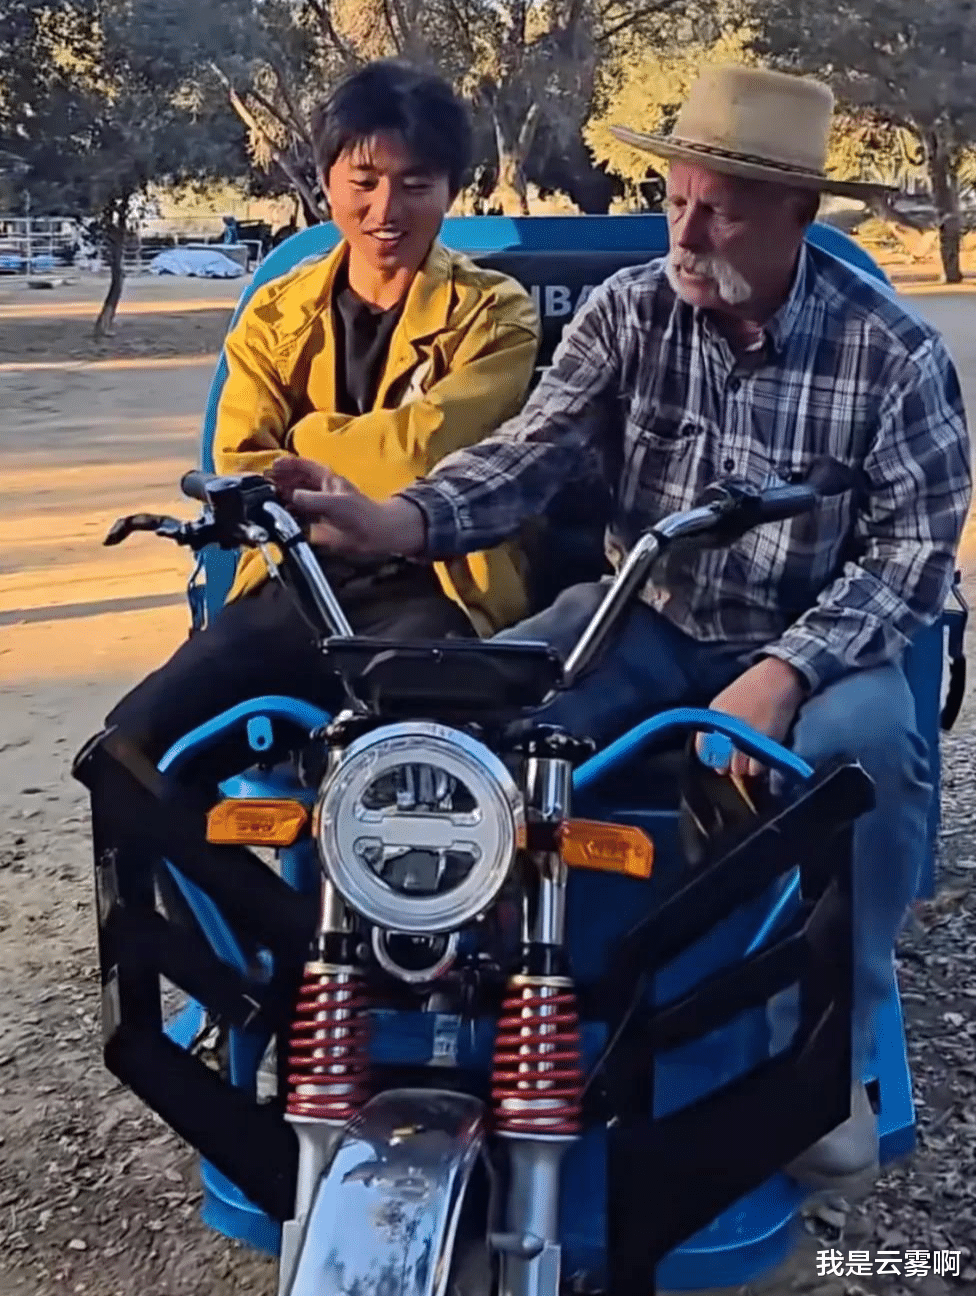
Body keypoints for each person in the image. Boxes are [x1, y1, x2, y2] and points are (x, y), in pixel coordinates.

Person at [272, 65, 973, 1195]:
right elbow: (527, 457)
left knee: (866, 759)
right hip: (640, 612)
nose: (684, 234)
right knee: (470, 722)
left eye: (720, 212)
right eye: (676, 200)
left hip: (814, 639)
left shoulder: (894, 356)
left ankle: (830, 1043)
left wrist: (786, 672)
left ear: (800, 215)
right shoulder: (629, 309)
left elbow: (910, 561)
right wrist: (395, 519)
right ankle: (467, 992)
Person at [104, 60, 540, 763]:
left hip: (437, 582)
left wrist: (305, 435)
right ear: (326, 180)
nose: (385, 210)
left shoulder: (495, 312)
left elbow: (427, 452)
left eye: (415, 184)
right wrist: (341, 469)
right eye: (363, 182)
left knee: (413, 754)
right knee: (132, 750)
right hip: (295, 575)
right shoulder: (275, 312)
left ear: (452, 190)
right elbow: (242, 461)